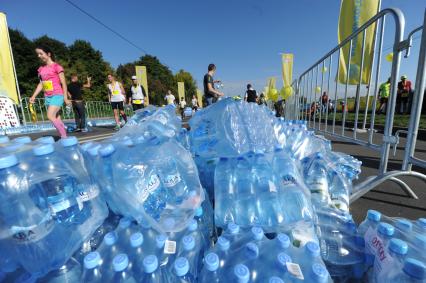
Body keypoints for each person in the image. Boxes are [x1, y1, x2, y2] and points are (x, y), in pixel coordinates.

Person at [30, 45, 70, 138]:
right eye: (38, 54)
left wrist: (65, 98)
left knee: (50, 116)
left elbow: (64, 83)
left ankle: (64, 137)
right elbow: (41, 84)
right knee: (56, 117)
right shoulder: (41, 69)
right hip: (47, 96)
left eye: (41, 53)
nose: (39, 56)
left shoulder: (57, 67)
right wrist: (33, 96)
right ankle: (64, 133)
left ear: (48, 54)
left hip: (57, 94)